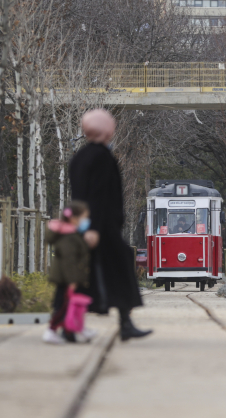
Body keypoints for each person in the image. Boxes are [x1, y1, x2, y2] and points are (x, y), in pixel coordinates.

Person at [69, 109, 152, 341]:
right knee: (121, 267)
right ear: (106, 129)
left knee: (79, 276)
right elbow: (96, 196)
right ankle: (124, 323)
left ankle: (71, 323)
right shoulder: (102, 158)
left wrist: (82, 225)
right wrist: (94, 227)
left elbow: (78, 197)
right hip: (102, 228)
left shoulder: (79, 157)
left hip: (86, 226)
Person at [42, 200, 97, 344]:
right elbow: (69, 261)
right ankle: (51, 331)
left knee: (71, 306)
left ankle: (76, 329)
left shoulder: (72, 234)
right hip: (66, 279)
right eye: (84, 217)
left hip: (67, 278)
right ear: (74, 219)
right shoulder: (69, 237)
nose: (86, 221)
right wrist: (72, 281)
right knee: (63, 307)